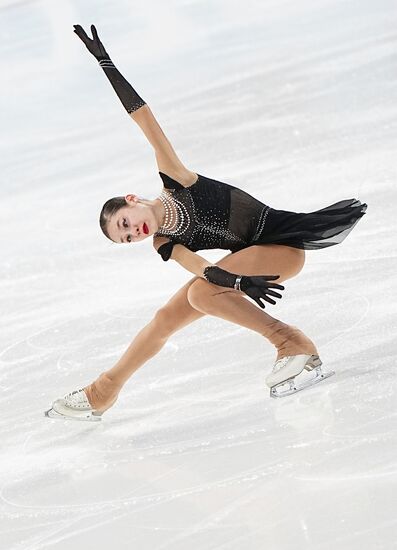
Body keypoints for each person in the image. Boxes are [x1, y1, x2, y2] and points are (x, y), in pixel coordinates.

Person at [45, 24, 367, 421]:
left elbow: (145, 120)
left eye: (125, 222)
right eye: (125, 238)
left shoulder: (176, 180)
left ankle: (291, 343)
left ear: (132, 200)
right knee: (169, 316)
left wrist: (106, 64)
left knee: (200, 296)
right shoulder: (162, 240)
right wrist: (236, 283)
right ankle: (103, 391)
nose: (132, 232)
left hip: (282, 247)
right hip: (251, 264)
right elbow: (198, 266)